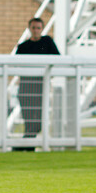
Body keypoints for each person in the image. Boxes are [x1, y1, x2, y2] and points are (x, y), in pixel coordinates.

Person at [14, 17, 60, 151]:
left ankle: (23, 145)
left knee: (39, 120)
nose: (36, 30)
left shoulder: (47, 42)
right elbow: (16, 66)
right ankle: (28, 146)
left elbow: (57, 58)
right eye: (33, 28)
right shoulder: (23, 47)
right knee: (28, 119)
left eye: (38, 28)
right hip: (26, 87)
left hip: (41, 87)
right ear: (29, 29)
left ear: (42, 29)